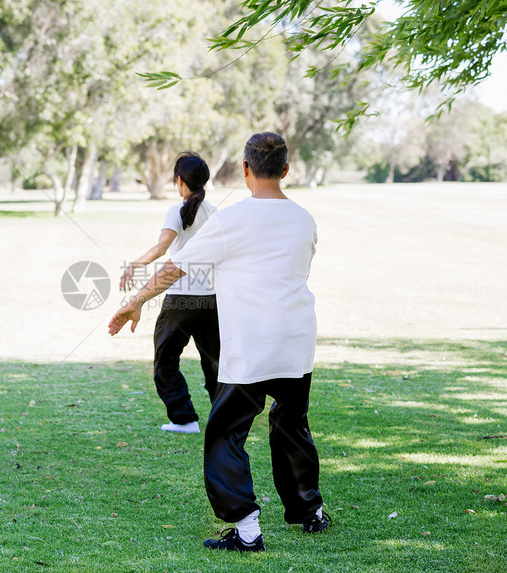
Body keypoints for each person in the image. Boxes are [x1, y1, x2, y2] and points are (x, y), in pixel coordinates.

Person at [109, 132, 329, 551]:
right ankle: (310, 512)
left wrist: (135, 301)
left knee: (225, 433)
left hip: (252, 346)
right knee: (292, 425)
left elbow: (174, 267)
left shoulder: (233, 219)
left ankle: (247, 531)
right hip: (298, 341)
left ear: (245, 169)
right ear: (285, 170)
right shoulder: (304, 218)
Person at [119, 152, 220, 434]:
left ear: (179, 181)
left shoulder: (176, 211)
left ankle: (184, 419)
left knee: (165, 360)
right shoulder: (216, 213)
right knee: (216, 362)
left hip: (180, 299)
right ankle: (223, 417)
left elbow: (162, 248)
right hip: (213, 299)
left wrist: (135, 264)